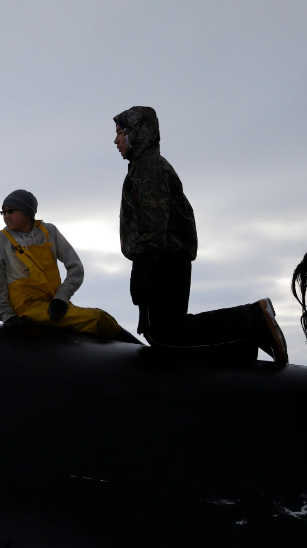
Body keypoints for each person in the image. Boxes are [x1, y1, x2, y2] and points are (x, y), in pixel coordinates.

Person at [114, 105, 287, 361]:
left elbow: (153, 220)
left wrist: (143, 268)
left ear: (135, 133)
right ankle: (241, 345)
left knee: (165, 334)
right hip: (167, 258)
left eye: (120, 132)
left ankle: (251, 319)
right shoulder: (145, 166)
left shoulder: (148, 167)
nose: (115, 140)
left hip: (163, 258)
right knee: (161, 334)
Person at [0, 189, 123, 337]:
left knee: (100, 319)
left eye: (11, 211)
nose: (6, 216)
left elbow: (75, 268)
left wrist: (61, 297)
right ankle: (134, 347)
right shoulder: (2, 238)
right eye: (3, 212)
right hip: (26, 308)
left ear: (27, 212)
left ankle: (135, 348)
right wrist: (6, 315)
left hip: (53, 304)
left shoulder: (48, 231)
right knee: (97, 319)